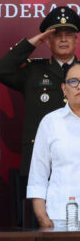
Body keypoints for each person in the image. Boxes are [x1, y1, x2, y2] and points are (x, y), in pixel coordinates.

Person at [0, 6, 80, 176]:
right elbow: (1, 70)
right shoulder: (33, 71)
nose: (63, 40)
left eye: (69, 35)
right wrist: (33, 43)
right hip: (40, 162)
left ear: (76, 40)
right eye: (56, 35)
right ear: (47, 40)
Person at [28, 61, 80, 228]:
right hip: (59, 216)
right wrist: (41, 215)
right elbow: (38, 172)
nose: (79, 86)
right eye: (73, 81)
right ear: (64, 89)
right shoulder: (51, 122)